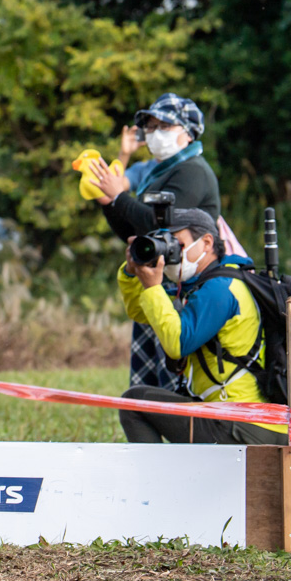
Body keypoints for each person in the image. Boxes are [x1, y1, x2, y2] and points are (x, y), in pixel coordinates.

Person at [116, 208, 287, 445]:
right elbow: (140, 311)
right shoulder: (198, 287)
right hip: (233, 417)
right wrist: (131, 274)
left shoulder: (221, 288)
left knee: (134, 403)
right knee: (139, 401)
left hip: (244, 423)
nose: (171, 255)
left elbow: (178, 344)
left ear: (206, 242)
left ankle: (155, 480)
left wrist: (153, 287)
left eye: (178, 245)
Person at [86, 93, 222, 389]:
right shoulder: (158, 172)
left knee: (172, 382)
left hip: (187, 286)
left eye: (165, 126)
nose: (155, 134)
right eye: (151, 127)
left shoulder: (193, 172)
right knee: (144, 389)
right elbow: (136, 232)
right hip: (158, 281)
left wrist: (120, 197)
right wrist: (110, 203)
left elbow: (164, 226)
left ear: (187, 134)